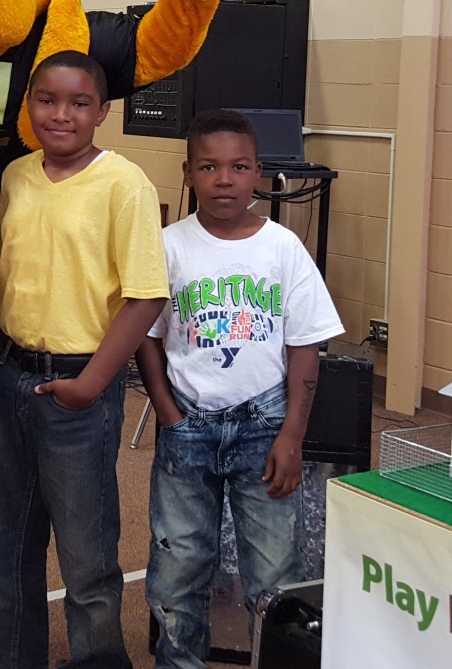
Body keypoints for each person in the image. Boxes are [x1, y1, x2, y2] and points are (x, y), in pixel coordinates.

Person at [0, 50, 169, 669]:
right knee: (4, 545)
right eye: (47, 101)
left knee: (85, 554)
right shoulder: (16, 177)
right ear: (28, 106)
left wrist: (91, 383)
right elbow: (4, 269)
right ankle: (14, 657)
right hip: (9, 380)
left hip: (81, 386)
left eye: (79, 103)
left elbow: (145, 296)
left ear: (102, 112)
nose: (62, 115)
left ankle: (98, 662)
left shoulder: (124, 184)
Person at [136, 109, 344, 669]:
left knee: (274, 575)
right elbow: (147, 335)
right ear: (187, 173)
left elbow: (305, 345)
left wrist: (292, 435)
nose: (224, 179)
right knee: (178, 568)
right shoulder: (168, 245)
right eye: (209, 166)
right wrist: (165, 410)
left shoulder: (282, 249)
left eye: (239, 166)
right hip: (188, 425)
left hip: (265, 427)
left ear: (259, 173)